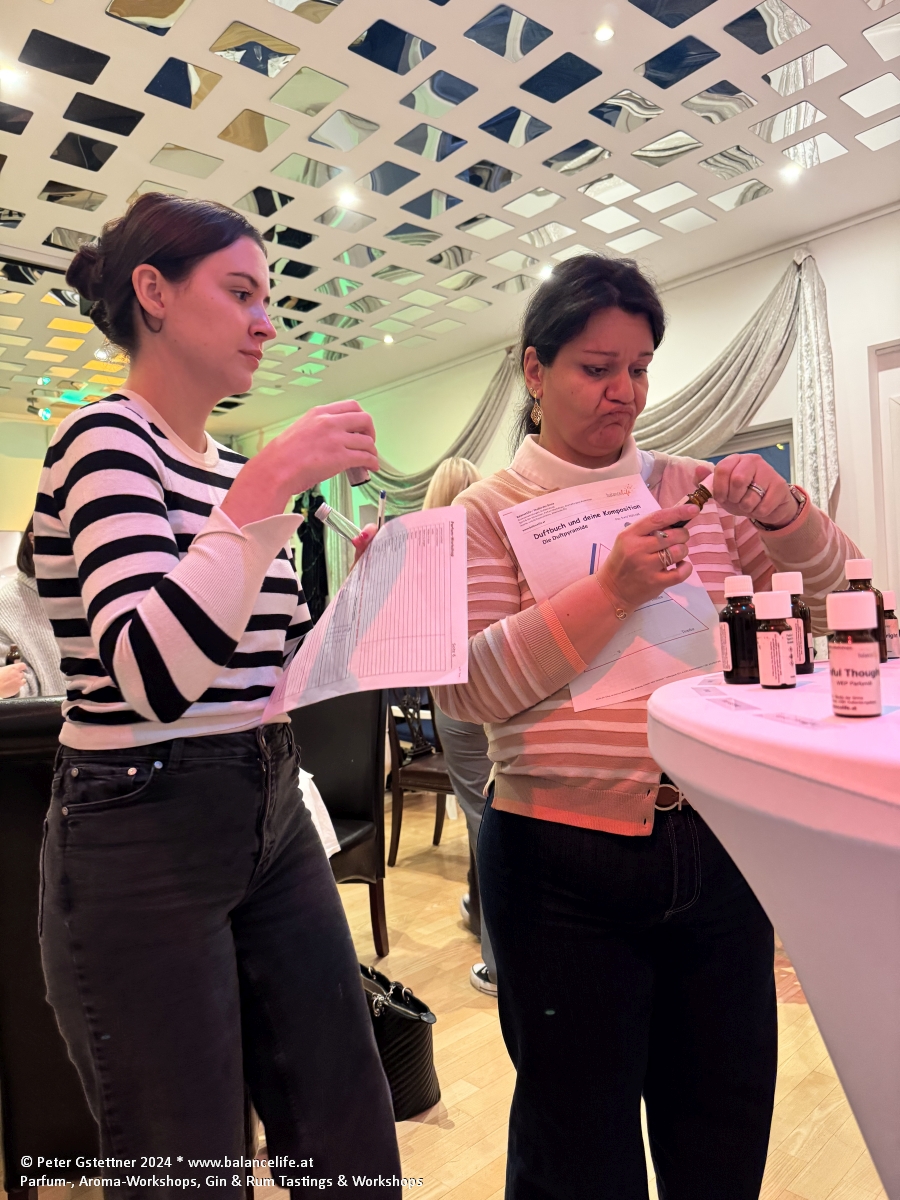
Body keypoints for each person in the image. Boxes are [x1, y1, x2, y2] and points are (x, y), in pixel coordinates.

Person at [433, 254, 861, 1200]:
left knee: (723, 1127)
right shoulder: (484, 513)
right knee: (577, 1147)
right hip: (557, 862)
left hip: (721, 843)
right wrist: (610, 592)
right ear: (535, 370)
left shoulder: (697, 490)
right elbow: (465, 689)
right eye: (596, 368)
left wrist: (787, 514)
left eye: (638, 368)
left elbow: (846, 604)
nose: (623, 392)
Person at [34, 192, 401, 1199]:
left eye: (265, 299)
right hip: (138, 820)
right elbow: (154, 677)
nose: (265, 322)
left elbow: (272, 669)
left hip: (270, 800)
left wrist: (373, 597)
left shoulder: (234, 472)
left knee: (349, 1131)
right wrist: (265, 488)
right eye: (240, 293)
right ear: (153, 293)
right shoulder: (104, 442)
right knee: (187, 1161)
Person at [424, 458, 497, 997]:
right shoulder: (494, 543)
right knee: (502, 811)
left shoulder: (426, 560)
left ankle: (499, 962)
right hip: (504, 690)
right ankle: (480, 911)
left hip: (453, 697)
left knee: (481, 818)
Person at [0, 518, 67, 698]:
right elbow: (11, 683)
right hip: (50, 714)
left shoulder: (102, 594)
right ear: (33, 539)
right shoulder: (7, 604)